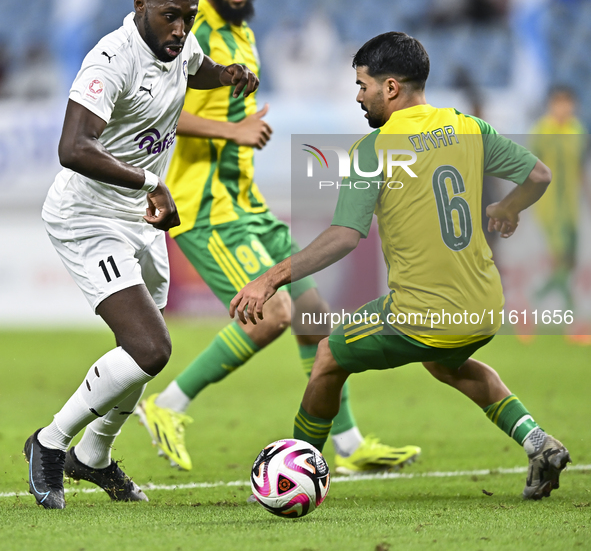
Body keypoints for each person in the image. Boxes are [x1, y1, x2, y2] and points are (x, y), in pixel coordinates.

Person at [230, 32, 572, 500]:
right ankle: (537, 442)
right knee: (448, 364)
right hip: (485, 307)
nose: (357, 95)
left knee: (329, 355)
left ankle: (294, 471)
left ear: (390, 88)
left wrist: (269, 278)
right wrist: (509, 208)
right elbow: (539, 175)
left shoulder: (374, 150)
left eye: (362, 85)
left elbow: (344, 237)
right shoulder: (467, 126)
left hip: (422, 313)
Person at [136, 0, 419, 476]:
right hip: (207, 209)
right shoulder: (190, 32)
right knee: (271, 316)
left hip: (248, 203)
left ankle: (349, 443)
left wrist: (239, 134)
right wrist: (232, 131)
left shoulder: (243, 35)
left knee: (315, 317)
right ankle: (165, 406)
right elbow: (157, 108)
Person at [24, 0, 259, 510]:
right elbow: (72, 148)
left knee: (142, 352)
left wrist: (226, 75)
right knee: (150, 347)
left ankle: (95, 456)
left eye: (189, 18)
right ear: (140, 5)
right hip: (89, 217)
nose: (180, 30)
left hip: (139, 219)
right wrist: (150, 181)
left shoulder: (178, 38)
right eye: (169, 17)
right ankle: (50, 444)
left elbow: (192, 64)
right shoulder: (111, 60)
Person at [530, 86, 588, 311]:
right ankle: (569, 308)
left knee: (571, 261)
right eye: (558, 103)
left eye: (567, 103)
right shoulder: (541, 131)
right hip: (549, 205)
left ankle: (540, 292)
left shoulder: (578, 130)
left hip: (572, 207)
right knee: (561, 254)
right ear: (550, 105)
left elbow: (581, 168)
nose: (563, 108)